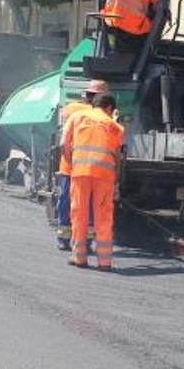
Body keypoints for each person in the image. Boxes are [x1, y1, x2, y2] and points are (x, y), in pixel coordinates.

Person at [67, 94, 124, 270]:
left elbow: (63, 144)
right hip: (105, 176)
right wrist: (116, 182)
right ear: (109, 108)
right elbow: (118, 156)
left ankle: (79, 258)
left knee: (79, 215)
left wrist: (72, 165)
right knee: (103, 217)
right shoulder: (115, 126)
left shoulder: (76, 117)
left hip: (80, 173)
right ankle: (104, 262)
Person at [53, 79, 110, 250]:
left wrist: (71, 162)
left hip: (70, 167)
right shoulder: (105, 115)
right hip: (94, 169)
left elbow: (63, 143)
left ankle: (64, 238)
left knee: (67, 201)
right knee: (91, 205)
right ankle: (86, 241)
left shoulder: (71, 110)